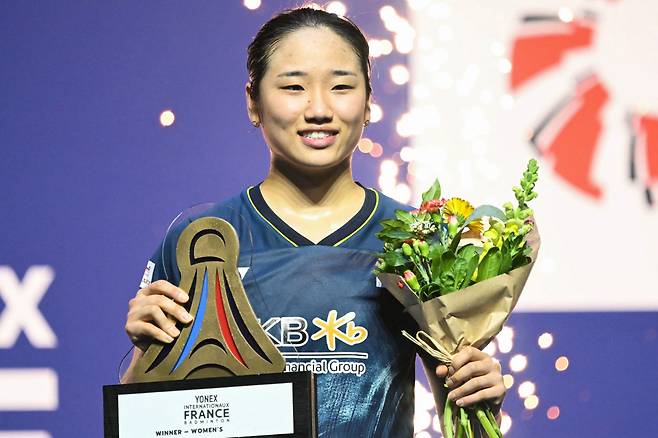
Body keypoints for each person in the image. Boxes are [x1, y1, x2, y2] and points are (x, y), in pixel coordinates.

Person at [122, 7, 505, 436]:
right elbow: (146, 424)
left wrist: (479, 397)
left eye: (341, 86)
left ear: (368, 104)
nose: (319, 108)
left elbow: (463, 424)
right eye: (293, 87)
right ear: (253, 101)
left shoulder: (419, 240)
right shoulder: (203, 239)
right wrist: (147, 352)